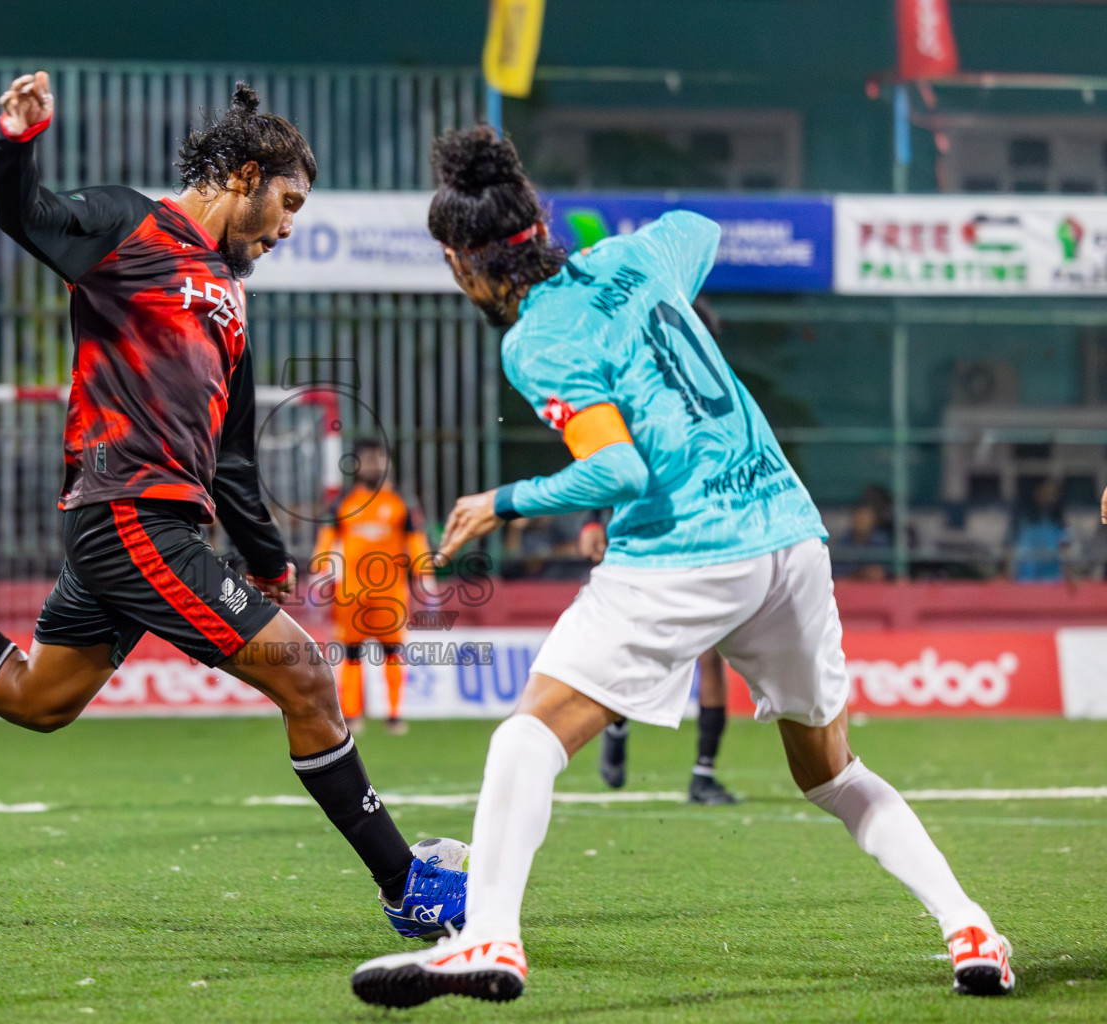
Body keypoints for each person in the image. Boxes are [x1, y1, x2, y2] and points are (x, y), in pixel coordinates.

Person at [0, 74, 464, 942]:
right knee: (303, 674)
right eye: (288, 202)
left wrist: (263, 554)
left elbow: (231, 453)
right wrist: (12, 140)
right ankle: (407, 885)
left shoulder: (228, 293)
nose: (291, 225)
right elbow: (22, 212)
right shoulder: (128, 226)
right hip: (127, 516)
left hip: (149, 524)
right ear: (246, 174)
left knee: (40, 698)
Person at [349, 126, 1013, 1007]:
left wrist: (501, 501)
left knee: (526, 735)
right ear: (538, 224)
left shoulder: (536, 340)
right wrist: (616, 261)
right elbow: (698, 225)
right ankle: (971, 929)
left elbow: (620, 469)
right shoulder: (635, 258)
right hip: (788, 533)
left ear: (462, 264)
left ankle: (490, 942)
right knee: (832, 772)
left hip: (690, 551)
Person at [581, 516, 738, 805]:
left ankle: (703, 772)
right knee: (630, 644)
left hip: (698, 545)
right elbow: (592, 468)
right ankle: (617, 719)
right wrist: (591, 522)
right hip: (644, 544)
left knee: (710, 651)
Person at [310, 438, 433, 735]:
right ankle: (352, 715)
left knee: (392, 651)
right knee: (351, 653)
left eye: (378, 459)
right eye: (368, 459)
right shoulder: (344, 502)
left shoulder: (401, 502)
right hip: (351, 590)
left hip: (391, 591)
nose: (374, 465)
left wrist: (425, 575)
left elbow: (416, 541)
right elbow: (327, 539)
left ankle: (394, 715)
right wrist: (319, 570)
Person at [1010, 477, 1070, 583]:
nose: (1048, 497)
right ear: (1036, 492)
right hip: (1025, 579)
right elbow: (1011, 548)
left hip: (1053, 579)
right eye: (1045, 492)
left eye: (1052, 494)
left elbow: (1067, 549)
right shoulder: (1022, 518)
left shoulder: (1060, 521)